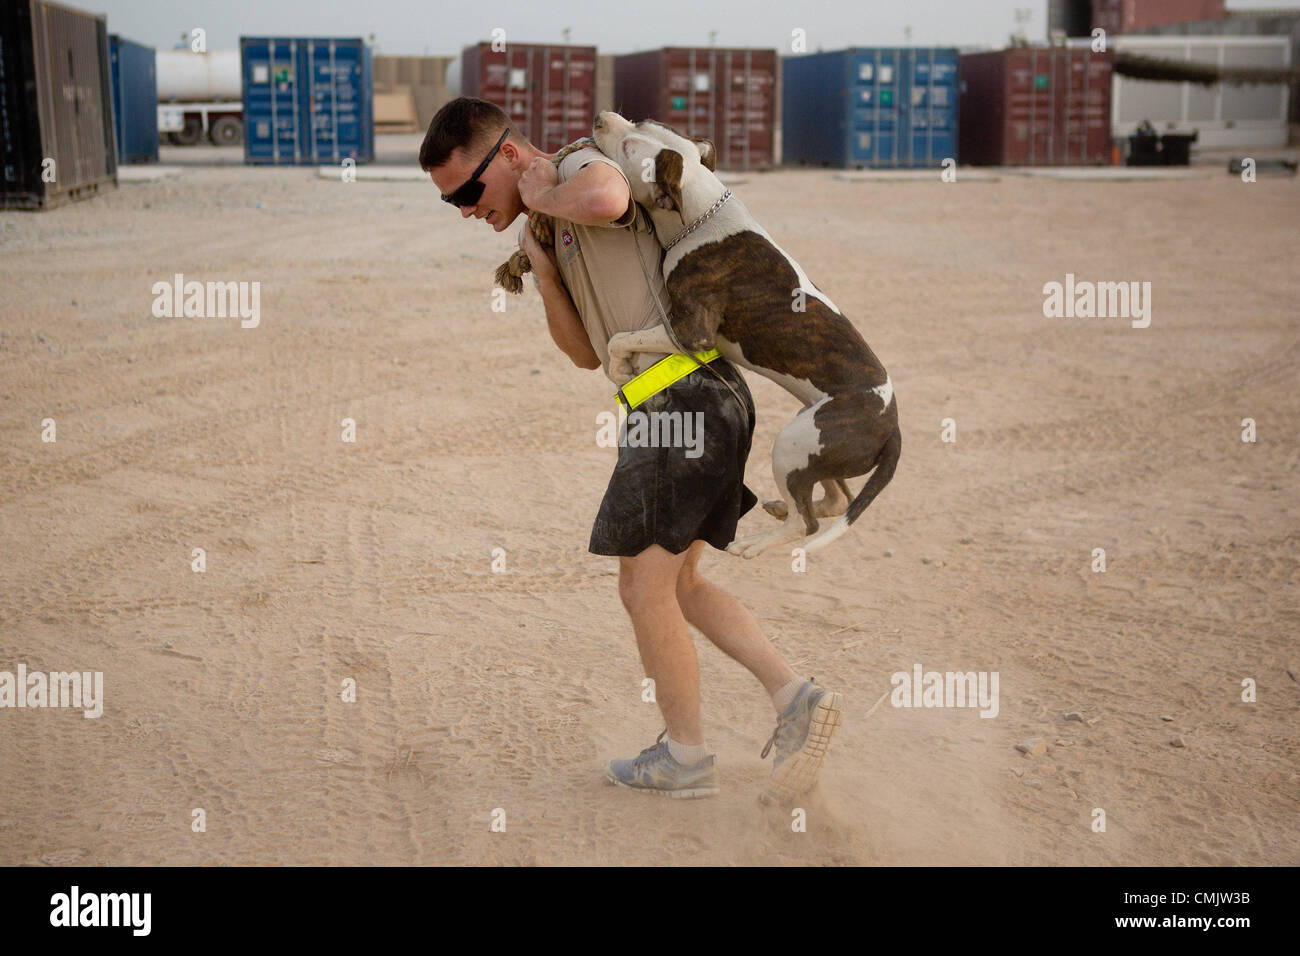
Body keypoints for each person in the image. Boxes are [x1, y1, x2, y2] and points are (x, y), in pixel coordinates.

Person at [421, 97, 842, 802]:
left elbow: (611, 192)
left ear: (512, 156)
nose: (466, 209)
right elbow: (585, 354)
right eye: (451, 203)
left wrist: (544, 193)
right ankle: (794, 699)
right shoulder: (555, 226)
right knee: (678, 586)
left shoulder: (578, 166)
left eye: (469, 190)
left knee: (643, 588)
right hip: (691, 399)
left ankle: (686, 758)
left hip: (681, 398)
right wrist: (545, 270)